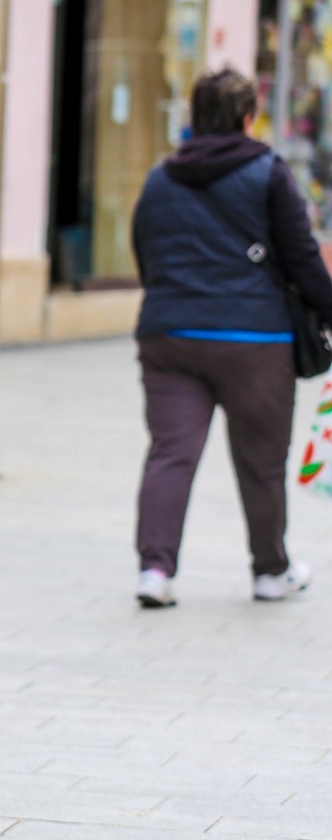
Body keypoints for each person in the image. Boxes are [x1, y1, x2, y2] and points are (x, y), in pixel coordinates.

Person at [130, 68, 332, 608]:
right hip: (255, 339)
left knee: (171, 454)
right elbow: (301, 256)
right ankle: (270, 572)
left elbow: (146, 250)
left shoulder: (159, 177)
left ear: (195, 117)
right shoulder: (268, 172)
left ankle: (155, 570)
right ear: (248, 118)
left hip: (169, 334)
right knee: (261, 461)